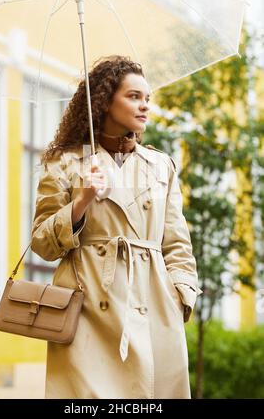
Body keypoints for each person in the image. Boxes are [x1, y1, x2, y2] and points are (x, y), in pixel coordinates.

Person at [30, 55, 202, 399]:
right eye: (134, 96)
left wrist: (180, 297)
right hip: (89, 310)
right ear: (105, 100)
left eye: (147, 99)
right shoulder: (65, 162)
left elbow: (177, 242)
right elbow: (42, 243)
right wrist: (82, 201)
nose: (145, 107)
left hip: (154, 306)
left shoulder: (160, 165)